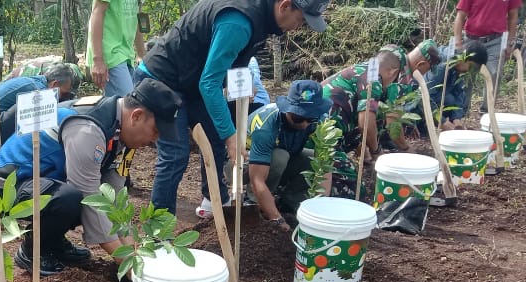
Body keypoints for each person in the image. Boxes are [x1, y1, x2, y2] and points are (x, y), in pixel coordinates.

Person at [133, 0, 331, 219]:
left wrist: (243, 85)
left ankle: (214, 200)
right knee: (176, 154)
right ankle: (159, 228)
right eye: (301, 19)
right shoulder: (239, 21)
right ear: (284, 6)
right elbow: (209, 84)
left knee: (216, 137)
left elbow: (232, 62)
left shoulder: (262, 18)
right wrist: (231, 136)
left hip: (192, 81)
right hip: (162, 78)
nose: (298, 27)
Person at [0, 78, 182, 278]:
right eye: (156, 131)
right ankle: (33, 250)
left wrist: (135, 252)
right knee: (70, 199)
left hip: (47, 180)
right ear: (137, 116)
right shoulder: (89, 131)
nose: (155, 140)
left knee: (75, 197)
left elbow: (113, 198)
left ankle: (53, 242)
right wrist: (133, 272)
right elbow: (90, 199)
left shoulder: (119, 130)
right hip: (10, 186)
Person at [245, 79, 332, 231]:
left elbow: (325, 167)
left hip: (279, 160)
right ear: (287, 110)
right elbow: (256, 179)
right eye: (298, 117)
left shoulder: (321, 122)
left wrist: (320, 213)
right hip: (245, 165)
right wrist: (277, 220)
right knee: (280, 157)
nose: (304, 124)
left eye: (310, 118)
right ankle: (254, 204)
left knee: (313, 160)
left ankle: (289, 204)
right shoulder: (267, 126)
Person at [321, 48, 403, 198]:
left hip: (325, 131)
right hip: (320, 137)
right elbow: (365, 122)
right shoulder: (374, 81)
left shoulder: (363, 69)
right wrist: (377, 151)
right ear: (392, 72)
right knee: (355, 191)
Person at [0, 64, 78, 148]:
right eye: (64, 94)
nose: (64, 98)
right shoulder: (39, 91)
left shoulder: (33, 81)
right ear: (54, 84)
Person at [453, 0, 521, 107]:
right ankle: (461, 111)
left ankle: (488, 113)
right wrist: (457, 42)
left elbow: (513, 16)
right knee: (466, 75)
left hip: (496, 41)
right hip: (471, 40)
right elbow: (460, 15)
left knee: (494, 74)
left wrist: (510, 42)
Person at [86, 0, 145, 97]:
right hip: (109, 53)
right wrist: (98, 60)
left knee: (131, 102)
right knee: (128, 103)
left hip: (128, 53)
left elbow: (139, 16)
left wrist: (142, 55)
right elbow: (97, 12)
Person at [427, 41, 489, 130]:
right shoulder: (442, 66)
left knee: (452, 98)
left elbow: (459, 93)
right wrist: (442, 121)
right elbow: (425, 96)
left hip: (437, 98)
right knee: (448, 99)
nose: (469, 70)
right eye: (471, 66)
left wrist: (456, 119)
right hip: (417, 103)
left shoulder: (458, 67)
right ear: (465, 57)